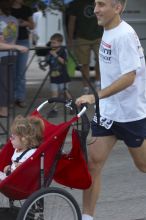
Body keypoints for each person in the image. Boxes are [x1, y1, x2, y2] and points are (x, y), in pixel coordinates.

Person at [75, 0, 146, 220]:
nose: (95, 9)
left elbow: (129, 77)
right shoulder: (107, 29)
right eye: (95, 3)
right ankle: (87, 218)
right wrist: (101, 101)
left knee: (143, 165)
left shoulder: (124, 35)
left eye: (101, 4)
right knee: (93, 164)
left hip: (130, 114)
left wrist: (95, 96)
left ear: (118, 8)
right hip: (107, 113)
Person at [67, 0, 103, 94]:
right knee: (84, 64)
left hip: (98, 36)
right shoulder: (75, 3)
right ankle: (86, 87)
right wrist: (70, 39)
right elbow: (72, 21)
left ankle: (98, 82)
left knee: (101, 61)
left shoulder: (99, 1)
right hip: (82, 37)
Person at [0, 0, 28, 117]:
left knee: (2, 84)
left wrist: (15, 46)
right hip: (12, 55)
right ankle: (7, 107)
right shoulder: (14, 20)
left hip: (2, 56)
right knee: (8, 83)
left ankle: (4, 111)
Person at [0, 115, 44, 180]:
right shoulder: (17, 149)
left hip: (19, 181)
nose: (10, 139)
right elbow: (14, 164)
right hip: (10, 177)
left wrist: (23, 167)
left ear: (24, 139)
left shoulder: (32, 153)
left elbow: (34, 170)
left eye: (13, 137)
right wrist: (9, 167)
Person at [11, 0, 34, 108]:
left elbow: (32, 25)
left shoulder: (26, 9)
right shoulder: (7, 8)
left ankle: (20, 98)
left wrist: (25, 23)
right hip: (9, 42)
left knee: (21, 71)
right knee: (10, 71)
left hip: (23, 41)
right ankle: (10, 98)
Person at [45, 33, 71, 118]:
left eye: (55, 43)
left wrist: (55, 55)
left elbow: (65, 62)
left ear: (60, 43)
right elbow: (48, 61)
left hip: (63, 76)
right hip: (53, 76)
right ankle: (54, 109)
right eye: (52, 43)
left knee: (65, 92)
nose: (52, 44)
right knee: (54, 94)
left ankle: (72, 106)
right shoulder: (50, 51)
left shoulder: (62, 51)